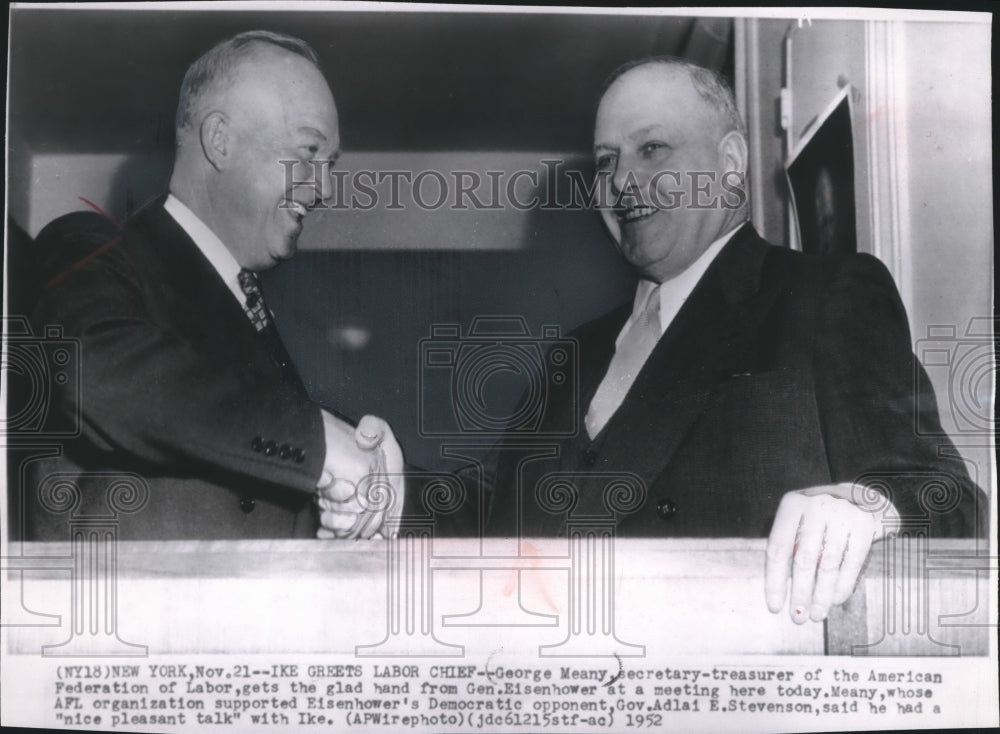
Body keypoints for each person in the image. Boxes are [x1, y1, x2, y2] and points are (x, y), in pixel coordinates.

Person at [483, 56, 985, 623]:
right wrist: (383, 486)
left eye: (652, 150)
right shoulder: (571, 355)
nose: (621, 182)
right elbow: (489, 521)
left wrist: (869, 507)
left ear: (729, 163)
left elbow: (948, 501)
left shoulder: (825, 295)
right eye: (606, 161)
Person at [25, 31, 402, 541]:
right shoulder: (94, 246)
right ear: (220, 140)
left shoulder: (249, 311)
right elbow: (89, 366)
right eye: (309, 151)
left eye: (330, 165)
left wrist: (371, 463)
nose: (326, 189)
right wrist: (320, 442)